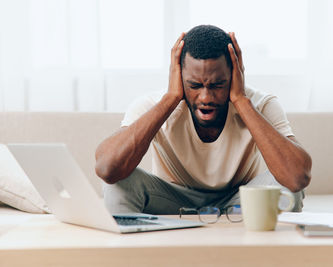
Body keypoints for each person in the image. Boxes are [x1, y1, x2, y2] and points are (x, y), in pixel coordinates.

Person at [95, 25, 312, 215]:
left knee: (286, 189)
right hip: (173, 201)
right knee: (117, 185)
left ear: (235, 75)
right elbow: (107, 169)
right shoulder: (152, 105)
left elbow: (297, 178)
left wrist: (240, 100)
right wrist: (170, 99)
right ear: (178, 76)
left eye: (217, 85)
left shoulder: (261, 104)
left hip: (239, 201)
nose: (206, 97)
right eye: (195, 85)